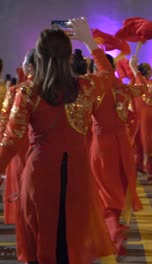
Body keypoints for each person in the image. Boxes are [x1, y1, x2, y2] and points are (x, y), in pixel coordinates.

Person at [0, 18, 115, 263]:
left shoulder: (27, 92)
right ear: (68, 56)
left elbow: (10, 141)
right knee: (70, 239)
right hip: (77, 175)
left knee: (41, 237)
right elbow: (108, 73)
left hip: (40, 173)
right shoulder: (86, 86)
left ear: (38, 57)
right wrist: (88, 40)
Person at [89, 53, 148, 256]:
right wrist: (134, 70)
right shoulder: (122, 88)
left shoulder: (94, 89)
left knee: (104, 190)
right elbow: (143, 89)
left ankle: (115, 231)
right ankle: (115, 232)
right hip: (122, 144)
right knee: (117, 188)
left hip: (102, 144)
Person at [0, 48, 35, 225]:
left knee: (22, 203)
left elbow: (5, 126)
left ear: (29, 67)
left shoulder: (16, 91)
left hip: (19, 150)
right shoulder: (59, 92)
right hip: (45, 154)